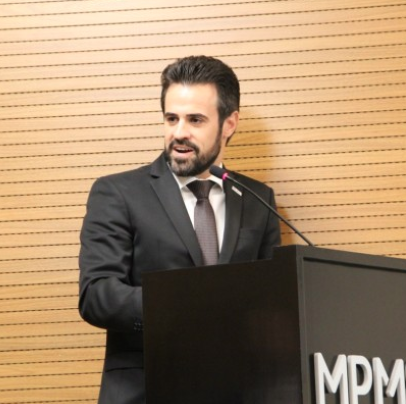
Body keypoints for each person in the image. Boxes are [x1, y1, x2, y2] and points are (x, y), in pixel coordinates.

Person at [78, 55, 282, 404]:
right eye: (171, 118)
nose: (179, 133)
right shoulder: (118, 193)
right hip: (145, 392)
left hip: (235, 392)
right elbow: (97, 295)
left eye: (195, 120)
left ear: (229, 123)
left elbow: (271, 304)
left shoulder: (258, 200)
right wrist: (187, 307)